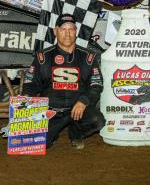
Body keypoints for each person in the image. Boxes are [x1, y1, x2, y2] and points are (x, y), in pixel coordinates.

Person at [23, 13, 105, 150]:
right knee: (40, 143)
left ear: (76, 32)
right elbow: (30, 84)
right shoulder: (43, 56)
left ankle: (76, 134)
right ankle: (52, 134)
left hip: (76, 111)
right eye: (63, 29)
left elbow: (96, 85)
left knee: (97, 120)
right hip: (51, 111)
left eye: (71, 29)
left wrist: (83, 101)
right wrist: (25, 99)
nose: (67, 34)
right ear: (55, 31)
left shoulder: (88, 57)